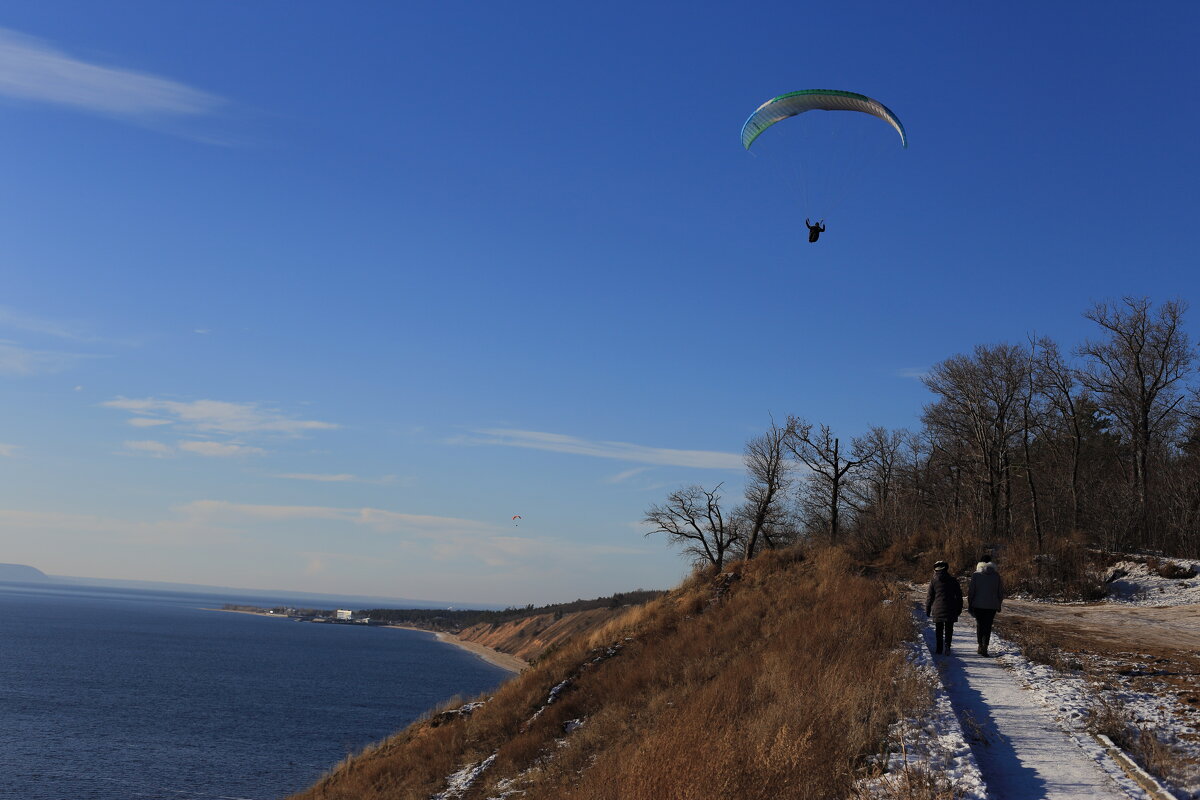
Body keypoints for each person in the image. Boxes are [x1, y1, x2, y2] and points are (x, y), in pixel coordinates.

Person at [968, 555, 1004, 656]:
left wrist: (970, 603)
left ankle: (980, 645)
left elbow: (971, 591)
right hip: (992, 606)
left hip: (978, 605)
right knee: (988, 626)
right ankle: (985, 646)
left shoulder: (976, 575)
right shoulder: (996, 575)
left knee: (980, 625)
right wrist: (998, 604)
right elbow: (1000, 592)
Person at [925, 560, 963, 655]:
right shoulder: (953, 580)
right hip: (951, 608)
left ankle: (939, 649)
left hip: (938, 608)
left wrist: (928, 608)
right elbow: (959, 596)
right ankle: (947, 647)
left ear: (935, 570)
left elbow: (930, 596)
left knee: (939, 629)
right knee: (949, 629)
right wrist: (959, 608)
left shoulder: (933, 581)